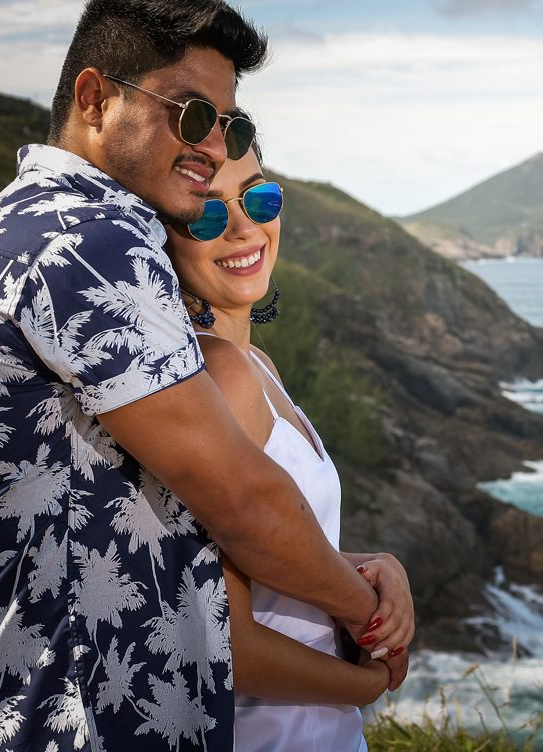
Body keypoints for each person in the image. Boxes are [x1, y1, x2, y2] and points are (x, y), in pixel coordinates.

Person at [0, 0, 410, 752]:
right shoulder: (87, 240)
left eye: (229, 123)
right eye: (191, 114)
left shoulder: (9, 227)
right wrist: (367, 624)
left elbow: (147, 527)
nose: (212, 146)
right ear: (95, 99)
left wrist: (360, 569)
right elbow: (240, 500)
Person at [164, 139, 410, 751]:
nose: (245, 229)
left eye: (259, 199)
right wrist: (369, 683)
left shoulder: (256, 365)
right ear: (162, 237)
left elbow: (268, 559)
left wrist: (376, 569)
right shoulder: (219, 375)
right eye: (208, 213)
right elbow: (228, 638)